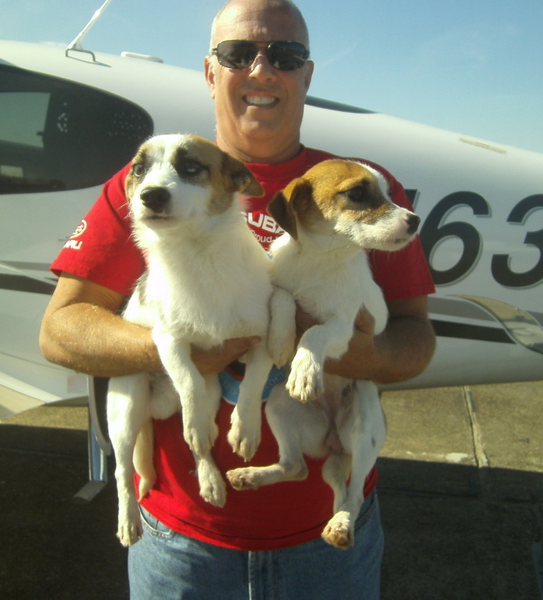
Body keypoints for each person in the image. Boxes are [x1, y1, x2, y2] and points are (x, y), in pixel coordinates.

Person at [40, 0, 436, 597]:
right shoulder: (148, 189)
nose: (261, 70)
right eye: (237, 54)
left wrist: (330, 349)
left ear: (306, 74)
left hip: (326, 548)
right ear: (208, 71)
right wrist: (180, 351)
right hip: (180, 545)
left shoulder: (359, 188)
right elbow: (60, 330)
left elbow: (414, 340)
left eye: (285, 55)